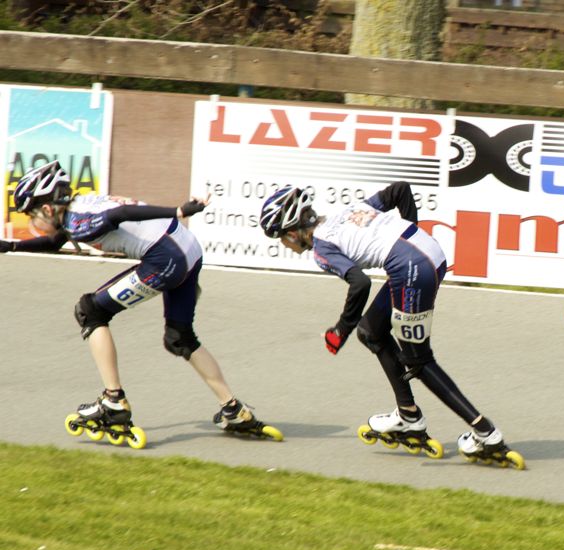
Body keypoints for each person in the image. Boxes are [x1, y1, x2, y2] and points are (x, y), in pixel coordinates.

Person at [0, 160, 280, 445]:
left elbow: (121, 214)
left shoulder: (79, 221)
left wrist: (178, 210)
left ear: (48, 209)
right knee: (179, 338)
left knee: (90, 311)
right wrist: (11, 246)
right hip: (189, 249)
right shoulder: (80, 208)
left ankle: (113, 401)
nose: (32, 224)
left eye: (31, 216)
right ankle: (233, 409)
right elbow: (55, 242)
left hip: (167, 258)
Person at [257, 181, 522, 468]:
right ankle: (408, 415)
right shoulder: (349, 210)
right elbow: (400, 190)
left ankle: (486, 434)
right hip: (426, 252)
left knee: (418, 361)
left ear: (292, 232)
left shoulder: (322, 249)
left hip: (411, 269)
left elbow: (360, 283)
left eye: (281, 238)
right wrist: (410, 235)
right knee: (371, 332)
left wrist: (340, 330)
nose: (284, 244)